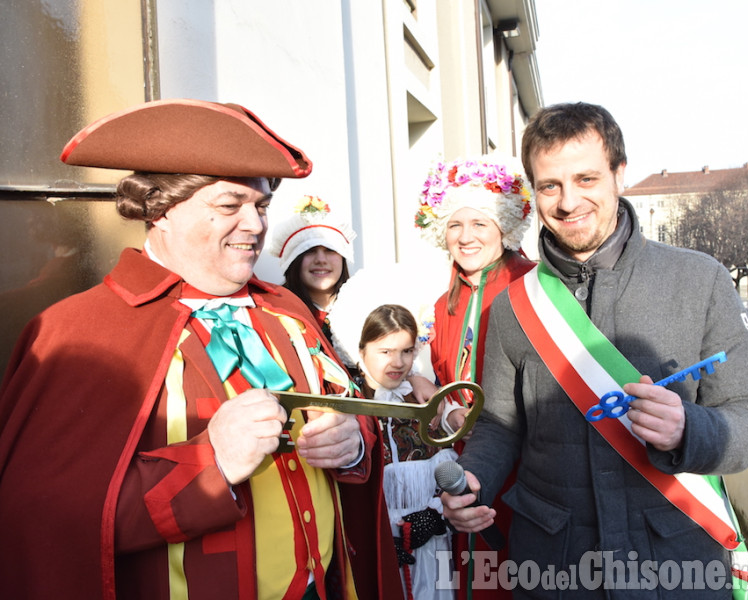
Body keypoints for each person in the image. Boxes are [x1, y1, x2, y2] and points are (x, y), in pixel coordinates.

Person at [0, 99, 402, 600]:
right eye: (229, 206)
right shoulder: (75, 332)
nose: (255, 226)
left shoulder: (289, 310)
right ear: (159, 210)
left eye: (260, 206)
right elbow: (42, 523)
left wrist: (354, 444)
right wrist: (211, 464)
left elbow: (352, 414)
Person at [441, 102, 748, 598]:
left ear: (619, 173)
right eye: (550, 186)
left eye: (587, 179)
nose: (568, 202)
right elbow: (499, 425)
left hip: (678, 561)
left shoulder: (701, 279)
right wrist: (474, 477)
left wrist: (689, 428)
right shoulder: (511, 307)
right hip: (553, 567)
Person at [414, 155, 536, 598]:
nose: (466, 237)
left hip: (518, 469)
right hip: (457, 469)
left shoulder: (533, 286)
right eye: (455, 225)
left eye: (480, 224)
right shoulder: (441, 299)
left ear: (503, 228)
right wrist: (439, 409)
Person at [351, 303, 457, 600]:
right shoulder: (350, 406)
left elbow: (451, 475)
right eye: (385, 352)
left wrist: (436, 516)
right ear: (362, 352)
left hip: (431, 551)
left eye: (407, 351)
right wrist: (382, 538)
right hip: (377, 552)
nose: (397, 362)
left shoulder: (425, 403)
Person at [269, 195, 356, 342]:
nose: (321, 260)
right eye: (309, 250)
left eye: (330, 250)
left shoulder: (361, 306)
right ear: (293, 260)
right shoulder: (277, 313)